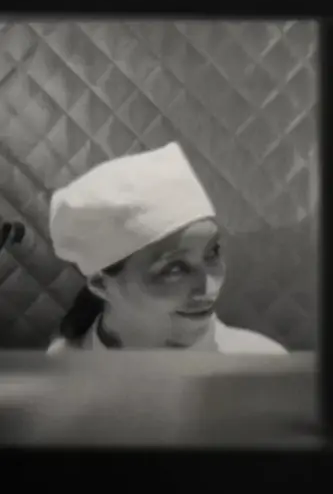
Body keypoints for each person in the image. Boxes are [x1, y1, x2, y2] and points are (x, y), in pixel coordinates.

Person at [46, 142, 287, 354]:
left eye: (212, 253)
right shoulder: (62, 371)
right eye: (173, 269)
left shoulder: (260, 364)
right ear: (101, 284)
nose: (209, 288)